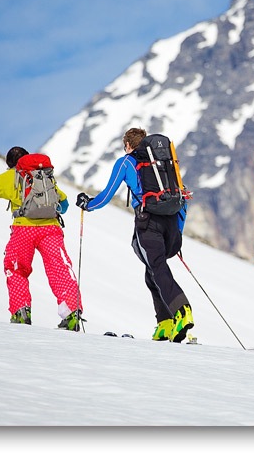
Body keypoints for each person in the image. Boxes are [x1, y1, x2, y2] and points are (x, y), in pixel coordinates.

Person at [76, 128, 194, 343]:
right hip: (171, 224)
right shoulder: (163, 164)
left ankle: (182, 310)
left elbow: (106, 195)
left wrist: (87, 204)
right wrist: (177, 232)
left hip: (148, 223)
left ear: (128, 145)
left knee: (157, 267)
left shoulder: (126, 162)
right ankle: (165, 323)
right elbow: (181, 198)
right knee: (152, 272)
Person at [0, 146, 83, 330]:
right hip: (51, 229)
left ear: (9, 164)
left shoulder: (8, 177)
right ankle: (72, 313)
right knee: (60, 269)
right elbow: (64, 205)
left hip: (23, 230)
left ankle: (21, 313)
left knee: (16, 269)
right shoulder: (43, 176)